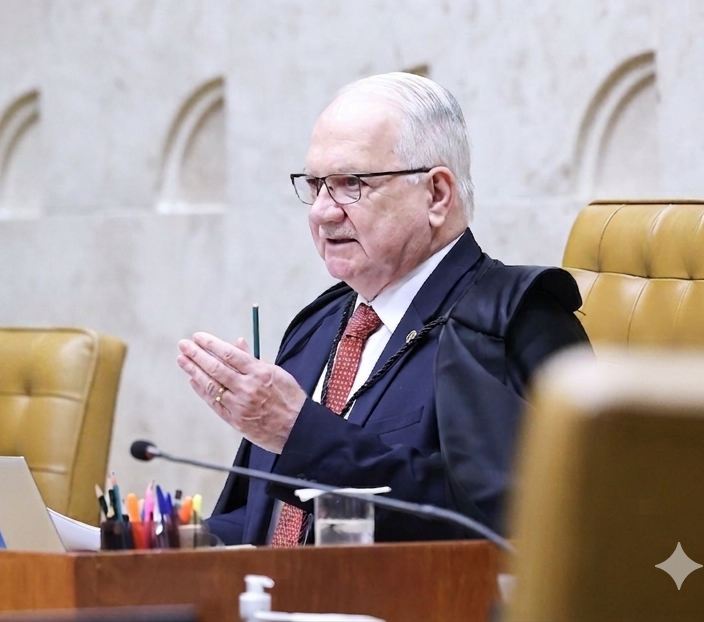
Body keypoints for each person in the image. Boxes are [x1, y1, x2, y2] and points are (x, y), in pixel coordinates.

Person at [177, 72, 590, 545]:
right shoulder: (317, 327)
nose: (321, 212)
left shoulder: (510, 323)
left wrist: (301, 433)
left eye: (350, 183)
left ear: (436, 194)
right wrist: (169, 541)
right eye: (315, 186)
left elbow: (500, 523)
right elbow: (265, 525)